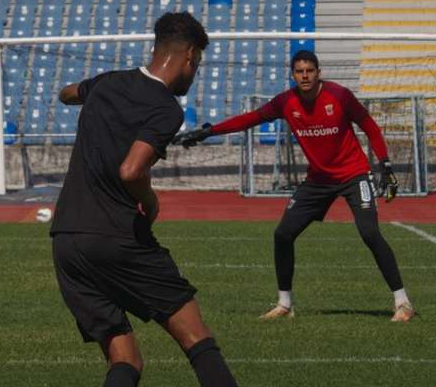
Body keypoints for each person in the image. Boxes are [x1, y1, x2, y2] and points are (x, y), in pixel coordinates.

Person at [51, 12, 273, 387]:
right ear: (188, 56)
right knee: (196, 338)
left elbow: (66, 92)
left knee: (125, 356)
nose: (196, 73)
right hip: (116, 234)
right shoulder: (166, 107)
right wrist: (150, 203)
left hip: (67, 239)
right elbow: (132, 169)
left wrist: (90, 95)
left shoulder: (109, 81)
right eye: (199, 64)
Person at [174, 50, 415, 323]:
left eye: (309, 70)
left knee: (370, 232)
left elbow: (370, 126)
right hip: (318, 180)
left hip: (354, 175)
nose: (304, 75)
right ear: (292, 75)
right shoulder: (286, 102)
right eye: (299, 71)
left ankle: (403, 303)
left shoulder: (339, 96)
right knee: (283, 235)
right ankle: (285, 304)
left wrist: (385, 164)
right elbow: (250, 119)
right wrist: (209, 131)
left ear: (318, 72)